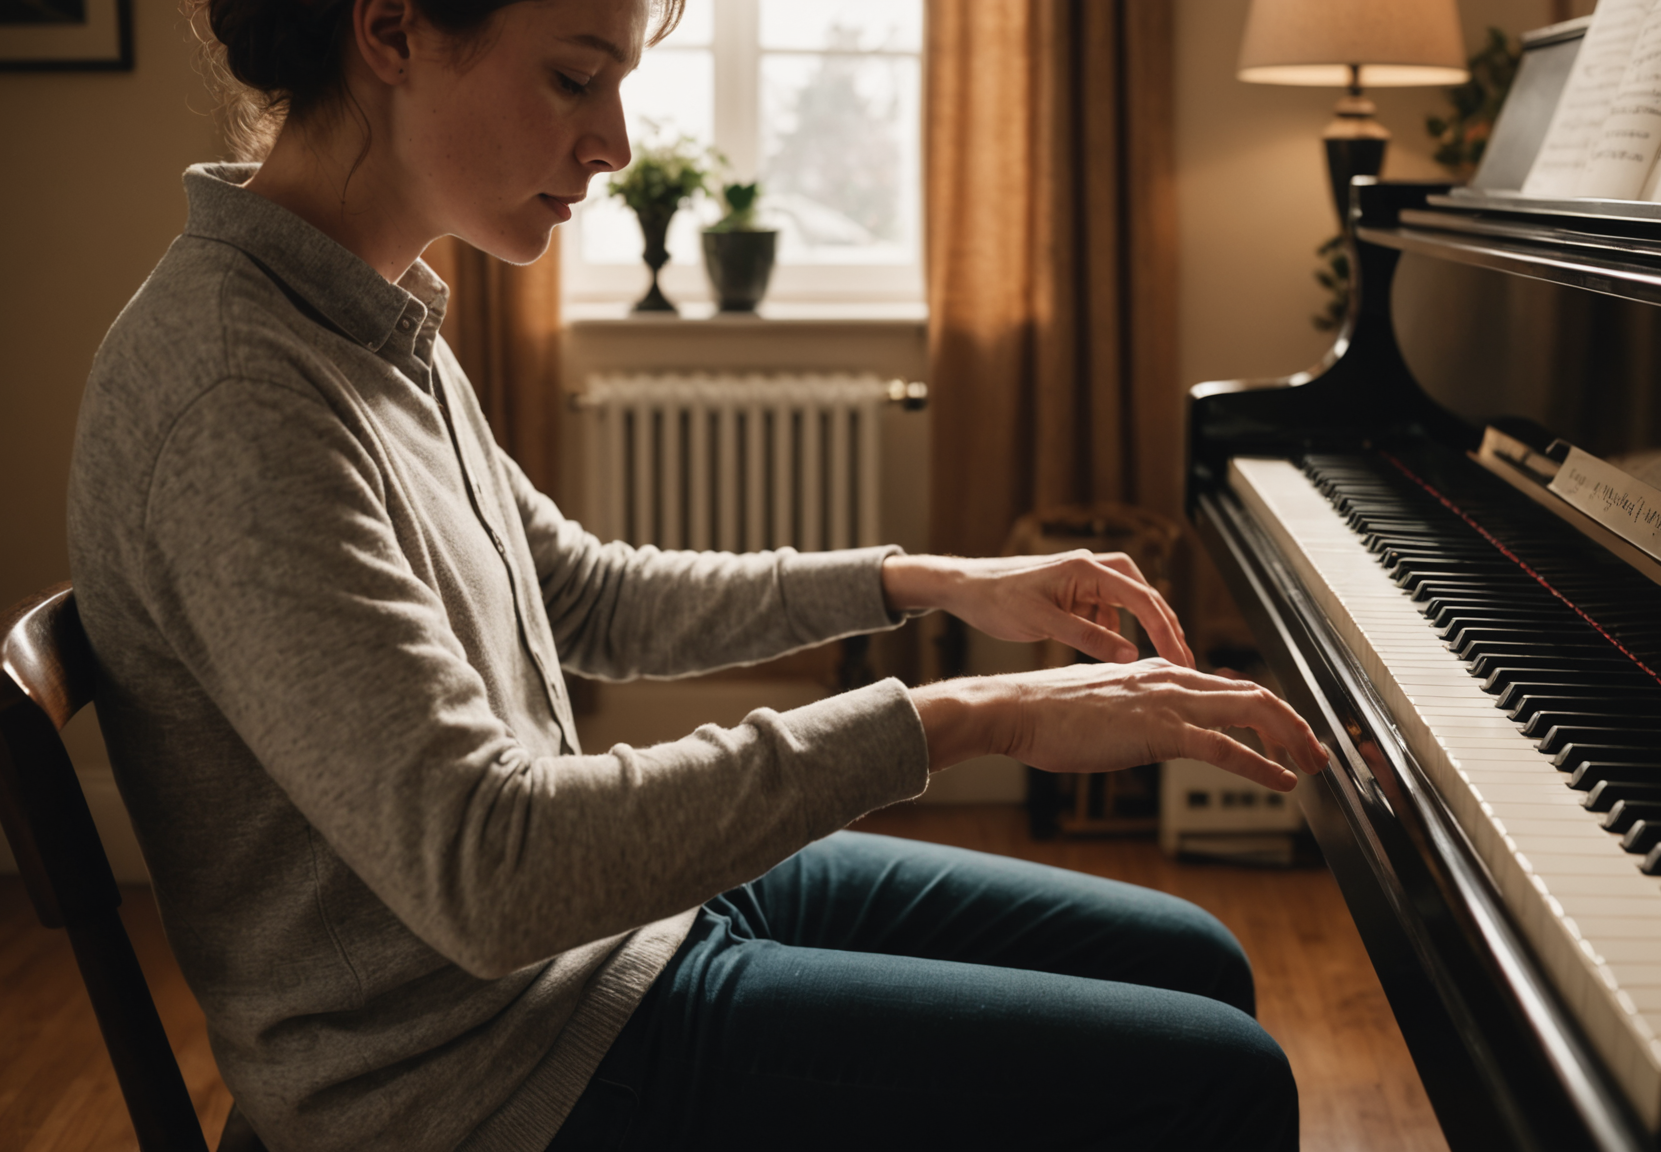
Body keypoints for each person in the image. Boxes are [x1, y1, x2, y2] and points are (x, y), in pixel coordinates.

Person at [65, 1, 1330, 1149]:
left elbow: (581, 595)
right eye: (576, 78)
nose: (614, 144)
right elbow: (488, 871)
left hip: (604, 940)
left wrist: (935, 582)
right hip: (477, 1073)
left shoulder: (368, 316)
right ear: (390, 31)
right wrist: (975, 716)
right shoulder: (240, 392)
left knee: (1194, 959)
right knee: (1214, 1082)